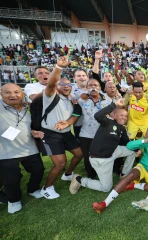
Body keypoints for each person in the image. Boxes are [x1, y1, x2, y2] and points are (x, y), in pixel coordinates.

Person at [92, 124, 148, 214]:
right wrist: (144, 140)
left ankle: (133, 185)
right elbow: (129, 146)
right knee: (131, 175)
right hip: (142, 167)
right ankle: (104, 203)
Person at [69, 98, 137, 194]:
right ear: (114, 115)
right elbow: (97, 115)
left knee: (132, 150)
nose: (124, 118)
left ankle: (124, 174)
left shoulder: (122, 128)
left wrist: (138, 149)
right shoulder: (107, 122)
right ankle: (79, 179)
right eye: (121, 115)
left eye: (126, 116)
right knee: (106, 188)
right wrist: (114, 104)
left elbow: (127, 142)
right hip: (101, 159)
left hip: (113, 151)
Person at [39, 53, 83, 199]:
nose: (66, 86)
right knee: (60, 163)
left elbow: (75, 115)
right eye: (62, 84)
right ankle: (46, 188)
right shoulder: (50, 95)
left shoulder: (69, 100)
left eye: (69, 85)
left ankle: (68, 174)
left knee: (79, 154)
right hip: (50, 135)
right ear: (57, 86)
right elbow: (51, 84)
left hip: (65, 133)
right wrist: (58, 67)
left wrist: (68, 122)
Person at [0, 83, 44, 213]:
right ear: (1, 94)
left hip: (28, 147)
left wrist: (33, 133)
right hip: (6, 151)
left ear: (22, 94)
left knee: (38, 170)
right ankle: (14, 200)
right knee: (11, 178)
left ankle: (33, 189)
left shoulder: (28, 108)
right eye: (7, 92)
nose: (13, 95)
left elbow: (30, 125)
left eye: (16, 92)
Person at [70, 69, 89, 139]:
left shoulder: (93, 87)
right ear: (74, 78)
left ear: (87, 77)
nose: (82, 77)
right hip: (79, 123)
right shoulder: (69, 89)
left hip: (94, 123)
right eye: (79, 76)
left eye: (83, 75)